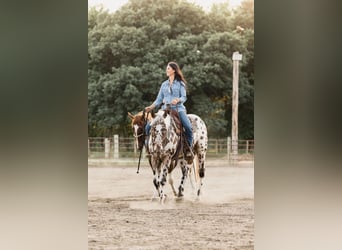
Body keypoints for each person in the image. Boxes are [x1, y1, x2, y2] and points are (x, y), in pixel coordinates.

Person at [145, 61, 193, 158]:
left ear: (174, 70)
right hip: (164, 109)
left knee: (188, 128)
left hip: (178, 109)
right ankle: (149, 149)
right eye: (167, 68)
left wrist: (178, 100)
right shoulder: (164, 85)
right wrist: (151, 107)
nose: (166, 70)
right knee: (148, 127)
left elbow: (184, 97)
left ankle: (188, 150)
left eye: (168, 68)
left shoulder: (180, 83)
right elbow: (159, 99)